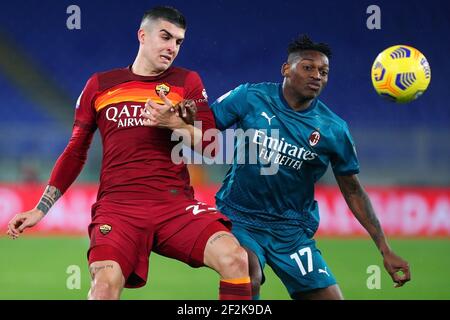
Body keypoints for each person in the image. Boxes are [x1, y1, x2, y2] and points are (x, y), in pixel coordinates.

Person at [7, 6, 252, 300]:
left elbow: (211, 146)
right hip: (118, 208)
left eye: (178, 41)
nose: (172, 47)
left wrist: (174, 123)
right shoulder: (100, 85)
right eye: (165, 37)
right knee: (104, 287)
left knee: (236, 259)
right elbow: (75, 151)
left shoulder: (187, 82)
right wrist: (41, 208)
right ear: (142, 35)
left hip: (174, 205)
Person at [209, 35, 411, 299]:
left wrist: (384, 249)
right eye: (308, 67)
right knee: (246, 273)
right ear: (286, 69)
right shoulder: (250, 97)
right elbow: (203, 127)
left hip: (291, 231)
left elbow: (352, 190)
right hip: (240, 218)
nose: (317, 75)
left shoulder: (333, 129)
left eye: (324, 72)